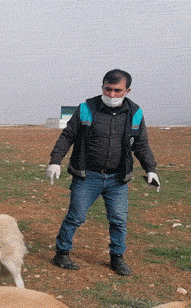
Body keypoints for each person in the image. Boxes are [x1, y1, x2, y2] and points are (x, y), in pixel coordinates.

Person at [45, 69, 160, 276]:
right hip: (87, 176)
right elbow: (67, 136)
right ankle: (61, 253)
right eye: (108, 89)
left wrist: (151, 169)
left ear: (128, 90)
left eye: (118, 91)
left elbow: (141, 144)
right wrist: (55, 162)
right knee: (76, 216)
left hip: (118, 179)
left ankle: (117, 258)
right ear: (102, 87)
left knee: (118, 220)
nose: (112, 95)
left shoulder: (135, 113)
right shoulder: (86, 109)